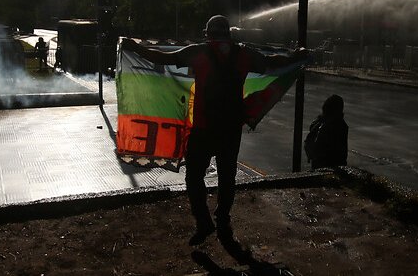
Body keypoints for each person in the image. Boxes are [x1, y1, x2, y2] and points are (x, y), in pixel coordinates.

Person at [122, 15, 309, 245]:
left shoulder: (198, 52)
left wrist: (135, 48)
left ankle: (203, 222)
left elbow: (163, 58)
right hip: (231, 130)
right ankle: (222, 219)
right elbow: (273, 62)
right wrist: (296, 56)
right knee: (227, 178)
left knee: (193, 178)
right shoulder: (244, 54)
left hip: (203, 129)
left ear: (208, 34)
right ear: (228, 34)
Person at [305, 94, 349, 170]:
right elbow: (341, 151)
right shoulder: (338, 124)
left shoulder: (319, 122)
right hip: (330, 164)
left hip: (317, 162)